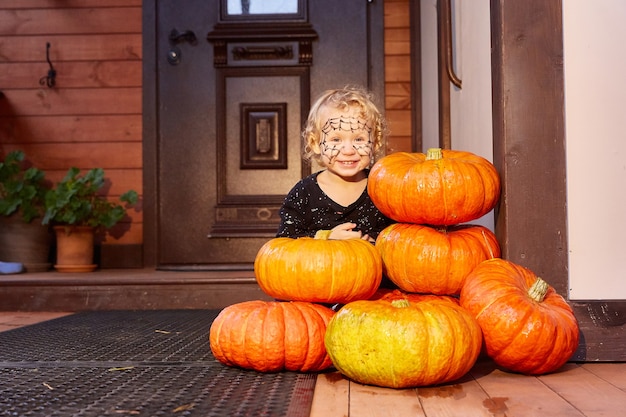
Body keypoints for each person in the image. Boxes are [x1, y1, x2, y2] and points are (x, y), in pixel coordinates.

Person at [276, 85, 394, 243]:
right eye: (336, 140)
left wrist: (376, 242)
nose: (348, 150)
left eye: (359, 139)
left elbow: (400, 237)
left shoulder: (383, 189)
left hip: (371, 267)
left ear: (376, 142)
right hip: (319, 267)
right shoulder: (304, 193)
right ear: (315, 143)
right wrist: (325, 237)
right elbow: (285, 242)